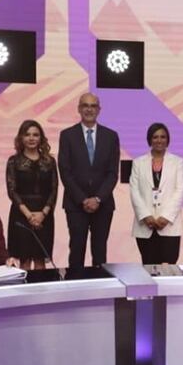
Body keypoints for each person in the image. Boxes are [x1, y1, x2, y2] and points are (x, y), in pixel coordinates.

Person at [58, 93, 120, 269]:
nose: (89, 109)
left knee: (100, 252)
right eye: (85, 105)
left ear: (99, 110)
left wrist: (98, 199)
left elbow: (112, 173)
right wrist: (83, 199)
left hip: (103, 204)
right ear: (79, 109)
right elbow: (65, 171)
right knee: (76, 250)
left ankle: (102, 292)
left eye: (93, 106)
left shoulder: (111, 136)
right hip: (76, 205)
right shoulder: (67, 135)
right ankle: (76, 291)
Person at [130, 123, 183, 265]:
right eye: (155, 137)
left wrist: (166, 217)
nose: (159, 140)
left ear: (168, 139)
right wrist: (146, 216)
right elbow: (134, 191)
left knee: (169, 267)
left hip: (169, 225)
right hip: (145, 225)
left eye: (163, 137)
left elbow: (180, 190)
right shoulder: (138, 163)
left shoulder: (178, 162)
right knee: (148, 265)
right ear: (149, 139)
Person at [5, 120, 58, 270]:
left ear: (41, 138)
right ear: (21, 138)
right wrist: (29, 215)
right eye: (27, 134)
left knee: (40, 260)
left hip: (44, 216)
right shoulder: (13, 161)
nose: (31, 138)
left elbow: (54, 190)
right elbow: (12, 191)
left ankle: (42, 293)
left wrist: (43, 213)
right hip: (21, 216)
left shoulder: (50, 161)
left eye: (35, 134)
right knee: (25, 262)